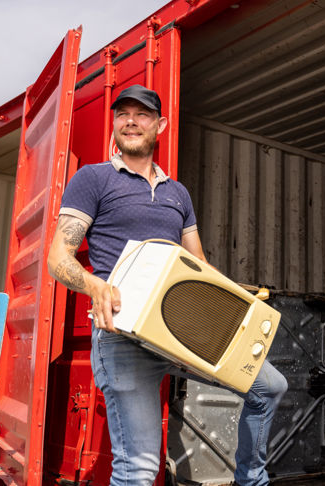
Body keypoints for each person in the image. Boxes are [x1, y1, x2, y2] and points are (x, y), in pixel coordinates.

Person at [47, 84, 287, 486]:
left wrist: (236, 303)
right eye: (122, 114)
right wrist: (95, 286)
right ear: (114, 124)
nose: (130, 121)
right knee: (139, 469)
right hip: (123, 336)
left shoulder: (178, 193)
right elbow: (58, 257)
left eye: (141, 115)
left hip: (182, 332)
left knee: (269, 387)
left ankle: (251, 479)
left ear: (160, 125)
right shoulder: (94, 178)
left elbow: (199, 265)